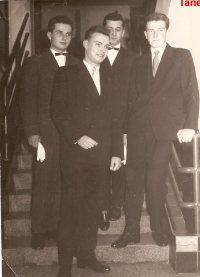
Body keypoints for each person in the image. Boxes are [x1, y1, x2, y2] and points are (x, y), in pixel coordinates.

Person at [111, 12, 199, 249]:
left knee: (155, 182)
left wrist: (190, 125)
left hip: (165, 131)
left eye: (160, 29)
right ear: (145, 35)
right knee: (133, 181)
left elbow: (192, 93)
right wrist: (125, 134)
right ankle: (131, 232)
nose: (155, 34)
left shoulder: (181, 56)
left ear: (166, 31)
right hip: (138, 130)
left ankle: (159, 229)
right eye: (151, 30)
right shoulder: (137, 62)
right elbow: (131, 100)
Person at [50, 25, 123, 277]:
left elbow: (116, 119)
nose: (102, 49)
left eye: (106, 45)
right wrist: (77, 137)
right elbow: (57, 113)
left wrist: (116, 152)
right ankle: (64, 266)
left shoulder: (111, 77)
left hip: (101, 157)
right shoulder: (67, 73)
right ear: (85, 44)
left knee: (93, 208)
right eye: (97, 44)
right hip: (75, 155)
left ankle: (86, 256)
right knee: (70, 210)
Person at [20, 15, 79, 250]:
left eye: (67, 33)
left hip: (71, 134)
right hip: (46, 133)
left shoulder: (77, 62)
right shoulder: (35, 62)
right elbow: (27, 98)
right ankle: (39, 230)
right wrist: (32, 131)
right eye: (59, 32)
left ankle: (56, 227)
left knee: (66, 182)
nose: (63, 37)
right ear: (49, 35)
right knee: (45, 181)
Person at [100, 12, 138, 226]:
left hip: (123, 124)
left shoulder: (134, 59)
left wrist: (127, 128)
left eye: (117, 29)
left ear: (122, 32)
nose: (112, 34)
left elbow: (136, 95)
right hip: (99, 125)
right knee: (100, 169)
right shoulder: (93, 54)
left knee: (120, 168)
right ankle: (102, 209)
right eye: (108, 29)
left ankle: (116, 205)